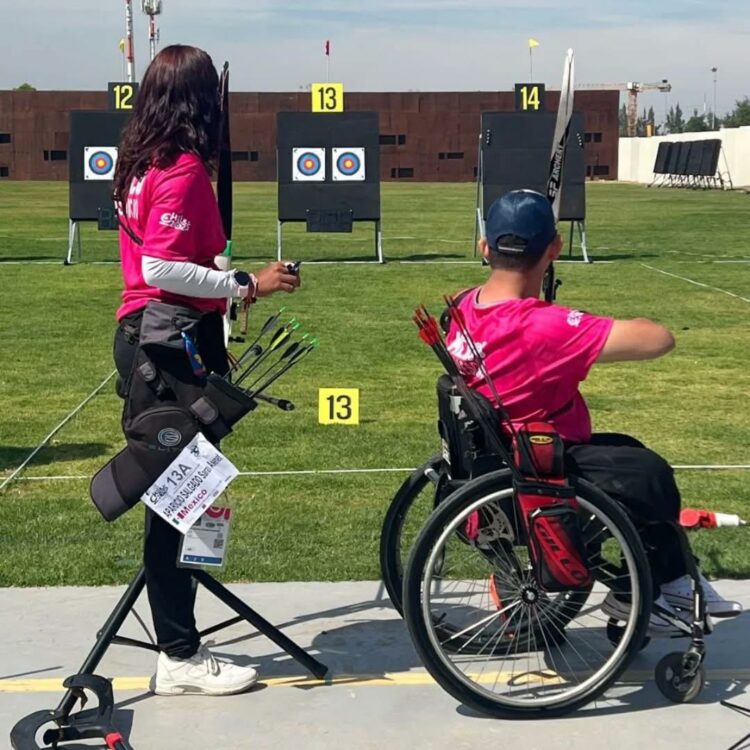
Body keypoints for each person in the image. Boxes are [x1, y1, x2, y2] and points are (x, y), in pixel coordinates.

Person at [446, 189, 741, 635]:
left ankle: (671, 577)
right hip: (536, 463)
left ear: (484, 247)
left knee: (627, 451)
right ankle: (657, 589)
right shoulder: (544, 326)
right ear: (555, 247)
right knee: (649, 475)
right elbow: (659, 338)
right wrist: (572, 319)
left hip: (499, 454)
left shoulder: (463, 305)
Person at [112, 45, 301, 695]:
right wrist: (245, 284)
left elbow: (172, 263)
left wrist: (223, 295)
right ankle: (180, 653)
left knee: (183, 490)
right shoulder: (184, 167)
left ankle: (179, 642)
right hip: (166, 346)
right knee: (180, 495)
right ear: (199, 102)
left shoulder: (141, 162)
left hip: (152, 339)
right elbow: (161, 268)